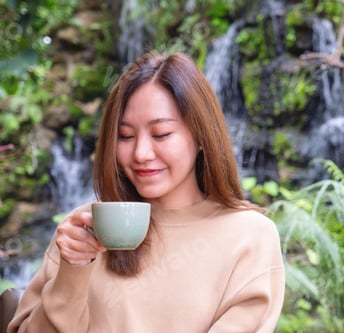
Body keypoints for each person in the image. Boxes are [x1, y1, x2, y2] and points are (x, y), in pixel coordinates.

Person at [8, 52, 285, 332]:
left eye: (161, 134)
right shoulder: (83, 229)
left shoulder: (250, 236)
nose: (141, 153)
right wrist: (73, 270)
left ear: (201, 135)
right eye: (125, 136)